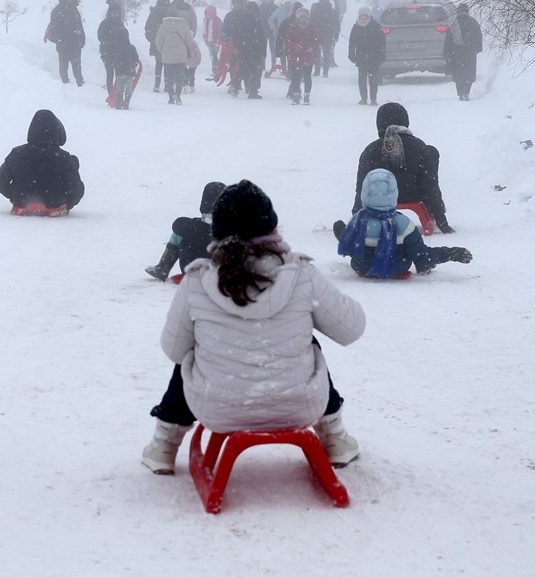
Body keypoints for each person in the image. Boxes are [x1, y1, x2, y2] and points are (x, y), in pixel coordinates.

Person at [141, 180, 367, 474]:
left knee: (192, 349)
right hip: (298, 407)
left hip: (218, 408)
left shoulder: (197, 281)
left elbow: (174, 350)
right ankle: (335, 437)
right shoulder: (300, 275)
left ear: (217, 233)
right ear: (272, 229)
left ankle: (164, 444)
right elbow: (352, 329)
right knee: (305, 341)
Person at [335, 169, 472, 278]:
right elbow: (422, 255)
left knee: (349, 236)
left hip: (362, 267)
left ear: (364, 194)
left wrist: (343, 233)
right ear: (394, 194)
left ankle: (353, 245)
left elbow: (349, 245)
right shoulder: (403, 224)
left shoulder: (357, 222)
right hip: (397, 268)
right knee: (415, 250)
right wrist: (449, 253)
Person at [352, 102, 454, 233]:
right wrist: (441, 220)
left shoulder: (371, 150)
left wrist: (355, 218)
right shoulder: (419, 147)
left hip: (381, 196)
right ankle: (430, 209)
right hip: (413, 195)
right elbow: (430, 185)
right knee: (431, 152)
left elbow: (362, 187)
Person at [0, 109, 84, 213]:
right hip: (55, 204)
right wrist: (68, 203)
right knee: (73, 162)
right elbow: (77, 189)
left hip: (21, 203)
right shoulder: (64, 158)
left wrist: (15, 197)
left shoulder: (17, 154)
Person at [144, 181, 226, 281]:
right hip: (221, 274)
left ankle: (163, 268)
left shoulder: (191, 226)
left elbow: (176, 224)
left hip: (191, 270)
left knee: (179, 234)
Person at [153, 7, 195, 105]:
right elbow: (189, 41)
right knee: (180, 76)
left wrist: (163, 50)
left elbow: (158, 42)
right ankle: (178, 94)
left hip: (168, 58)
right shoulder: (184, 25)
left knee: (169, 77)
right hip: (181, 57)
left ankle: (171, 97)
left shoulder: (163, 26)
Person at [44, 0, 85, 86]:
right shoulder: (57, 11)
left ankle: (80, 84)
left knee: (77, 66)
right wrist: (58, 38)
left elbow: (79, 25)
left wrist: (82, 38)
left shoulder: (74, 10)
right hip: (63, 44)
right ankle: (65, 85)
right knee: (64, 66)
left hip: (74, 43)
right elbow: (54, 26)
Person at [444, 2, 483, 101]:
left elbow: (448, 39)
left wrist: (447, 52)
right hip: (469, 51)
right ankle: (465, 92)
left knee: (459, 73)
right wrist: (477, 49)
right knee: (468, 73)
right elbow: (478, 37)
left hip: (457, 51)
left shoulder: (454, 23)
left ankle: (461, 92)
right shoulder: (473, 22)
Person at [348, 5, 386, 106]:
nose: (363, 18)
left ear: (369, 15)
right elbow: (352, 42)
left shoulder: (376, 26)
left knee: (373, 79)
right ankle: (363, 98)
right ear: (359, 16)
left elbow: (382, 42)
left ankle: (373, 99)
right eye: (362, 15)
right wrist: (351, 55)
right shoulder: (356, 27)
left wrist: (381, 55)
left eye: (365, 15)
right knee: (362, 79)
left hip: (374, 57)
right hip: (361, 57)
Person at [284, 7, 321, 105]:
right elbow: (287, 41)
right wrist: (295, 46)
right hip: (295, 56)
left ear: (307, 17)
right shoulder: (292, 27)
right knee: (296, 77)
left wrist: (312, 48)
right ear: (297, 17)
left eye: (304, 16)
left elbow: (317, 41)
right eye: (301, 16)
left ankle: (306, 96)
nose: (302, 18)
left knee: (307, 76)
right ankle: (296, 96)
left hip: (308, 55)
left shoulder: (312, 27)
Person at [237, 1, 268, 99]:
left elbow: (237, 33)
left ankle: (236, 84)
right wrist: (263, 51)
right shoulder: (257, 20)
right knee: (256, 70)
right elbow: (261, 37)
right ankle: (253, 90)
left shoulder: (241, 18)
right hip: (255, 50)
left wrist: (238, 46)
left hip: (244, 49)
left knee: (243, 68)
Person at [106, 24, 140, 111]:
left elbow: (113, 59)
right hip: (129, 72)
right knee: (128, 90)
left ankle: (118, 104)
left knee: (119, 90)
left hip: (119, 72)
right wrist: (133, 66)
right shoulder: (131, 48)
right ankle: (126, 104)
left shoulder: (116, 48)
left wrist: (115, 65)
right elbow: (136, 59)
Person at [144, 0, 170, 93]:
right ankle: (167, 84)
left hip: (156, 41)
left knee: (158, 63)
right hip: (168, 41)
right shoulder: (170, 12)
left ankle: (157, 84)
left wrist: (151, 37)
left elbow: (147, 26)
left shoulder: (154, 12)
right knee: (167, 63)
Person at [96, 0, 122, 92]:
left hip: (118, 53)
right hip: (108, 53)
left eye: (117, 13)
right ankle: (111, 93)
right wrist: (111, 41)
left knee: (119, 75)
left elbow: (125, 37)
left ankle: (117, 93)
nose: (116, 15)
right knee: (110, 74)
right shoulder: (104, 24)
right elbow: (100, 37)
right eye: (114, 13)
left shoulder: (120, 23)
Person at [202, 5, 222, 73]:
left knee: (215, 56)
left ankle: (217, 70)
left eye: (209, 13)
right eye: (207, 13)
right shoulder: (205, 20)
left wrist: (218, 43)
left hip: (216, 42)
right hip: (209, 43)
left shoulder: (217, 21)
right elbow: (204, 31)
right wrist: (206, 41)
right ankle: (215, 70)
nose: (208, 15)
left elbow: (220, 32)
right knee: (212, 56)